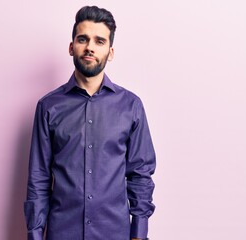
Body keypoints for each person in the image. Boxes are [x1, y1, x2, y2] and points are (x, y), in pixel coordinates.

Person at [24, 5, 156, 240]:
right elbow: (38, 178)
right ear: (71, 47)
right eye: (83, 39)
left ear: (111, 52)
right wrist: (34, 234)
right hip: (63, 232)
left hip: (115, 232)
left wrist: (139, 232)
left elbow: (140, 174)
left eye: (99, 41)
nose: (90, 47)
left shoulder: (131, 106)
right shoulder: (48, 107)